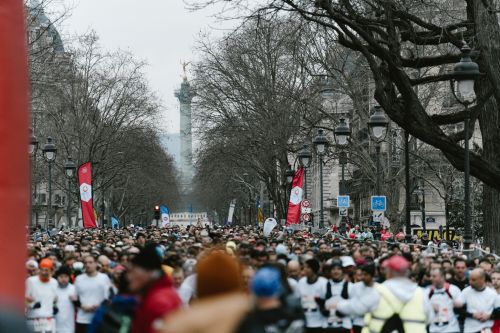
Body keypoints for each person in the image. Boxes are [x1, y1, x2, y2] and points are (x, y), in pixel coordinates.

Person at [359, 255, 434, 333]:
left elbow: (366, 317)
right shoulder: (420, 293)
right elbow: (429, 319)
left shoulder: (376, 290)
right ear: (406, 272)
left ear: (389, 271)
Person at [128, 244, 181, 333]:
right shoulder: (154, 293)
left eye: (133, 272)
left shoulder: (159, 301)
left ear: (148, 272)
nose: (129, 277)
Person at [236, 267, 305, 333]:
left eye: (249, 278)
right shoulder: (296, 317)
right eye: (243, 277)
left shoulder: (248, 323)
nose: (245, 280)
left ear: (255, 288)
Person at [335, 262, 378, 333]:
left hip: (373, 323)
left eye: (366, 275)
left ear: (372, 275)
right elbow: (351, 303)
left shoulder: (379, 288)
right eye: (362, 274)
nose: (363, 277)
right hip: (357, 324)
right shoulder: (355, 287)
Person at [74, 255, 112, 333]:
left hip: (98, 317)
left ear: (96, 264)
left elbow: (108, 296)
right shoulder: (79, 279)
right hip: (82, 319)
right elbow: (75, 297)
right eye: (86, 263)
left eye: (90, 262)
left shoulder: (104, 278)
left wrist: (99, 305)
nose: (88, 265)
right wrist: (82, 306)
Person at [456, 268, 500, 333]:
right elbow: (457, 310)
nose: (470, 282)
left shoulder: (492, 294)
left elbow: (498, 312)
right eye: (470, 279)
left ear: (482, 280)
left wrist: (489, 316)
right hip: (469, 329)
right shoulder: (466, 291)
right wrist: (472, 315)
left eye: (473, 280)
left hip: (488, 329)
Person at [26, 258, 58, 333]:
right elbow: (23, 299)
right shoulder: (31, 281)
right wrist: (31, 304)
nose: (44, 272)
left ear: (51, 271)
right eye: (42, 269)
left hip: (48, 319)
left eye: (46, 270)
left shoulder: (54, 282)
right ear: (39, 269)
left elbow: (55, 300)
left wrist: (54, 305)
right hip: (33, 319)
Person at [426, 268, 461, 333]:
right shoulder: (427, 291)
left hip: (452, 329)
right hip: (434, 330)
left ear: (442, 277)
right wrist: (430, 306)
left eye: (434, 276)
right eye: (430, 276)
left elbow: (461, 305)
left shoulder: (453, 289)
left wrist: (458, 304)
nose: (431, 278)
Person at [297, 258, 327, 332]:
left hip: (320, 323)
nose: (305, 269)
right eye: (304, 267)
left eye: (308, 267)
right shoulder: (301, 282)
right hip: (305, 322)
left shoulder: (323, 283)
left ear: (314, 269)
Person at [323, 260, 352, 332]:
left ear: (342, 271)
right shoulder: (324, 285)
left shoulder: (350, 286)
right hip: (327, 325)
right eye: (333, 269)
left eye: (338, 269)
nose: (336, 272)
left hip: (344, 325)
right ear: (330, 271)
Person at [54, 266, 77, 333]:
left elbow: (79, 306)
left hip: (69, 327)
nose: (63, 279)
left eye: (66, 277)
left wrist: (75, 301)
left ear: (69, 277)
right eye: (61, 276)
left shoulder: (73, 289)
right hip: (55, 327)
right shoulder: (53, 288)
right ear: (57, 277)